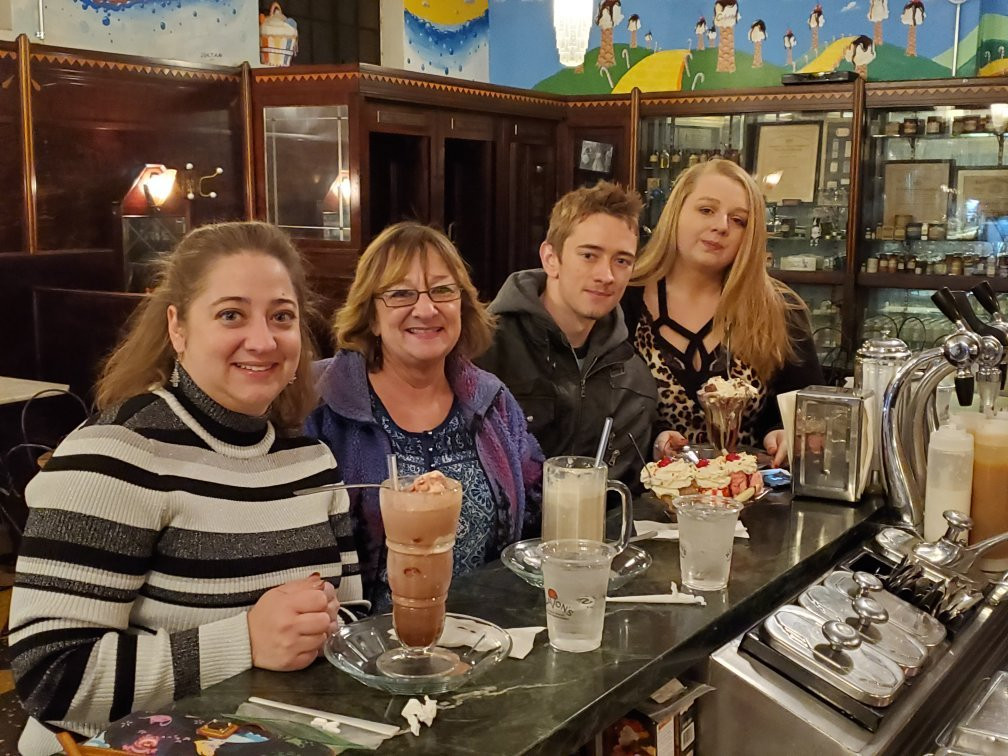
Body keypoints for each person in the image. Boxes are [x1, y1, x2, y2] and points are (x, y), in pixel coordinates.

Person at [8, 222, 362, 753]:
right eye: (231, 314)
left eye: (281, 316)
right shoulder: (116, 452)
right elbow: (50, 676)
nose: (263, 340)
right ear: (178, 328)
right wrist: (244, 641)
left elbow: (350, 614)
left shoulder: (311, 460)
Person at [306, 222, 543, 610]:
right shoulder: (320, 403)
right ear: (371, 316)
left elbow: (536, 520)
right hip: (360, 638)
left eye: (443, 290)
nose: (427, 309)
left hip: (484, 633)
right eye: (401, 294)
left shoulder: (492, 402)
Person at [623, 159, 823, 466]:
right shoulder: (624, 298)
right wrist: (654, 439)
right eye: (706, 210)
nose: (721, 226)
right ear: (676, 211)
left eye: (739, 220)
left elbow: (807, 411)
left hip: (749, 490)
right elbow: (604, 414)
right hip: (644, 491)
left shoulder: (780, 310)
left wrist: (784, 432)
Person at [476, 181, 657, 486]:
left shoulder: (633, 379)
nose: (606, 275)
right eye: (589, 255)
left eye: (622, 261)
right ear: (550, 258)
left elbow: (627, 493)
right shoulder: (484, 349)